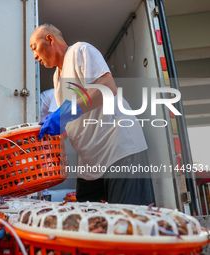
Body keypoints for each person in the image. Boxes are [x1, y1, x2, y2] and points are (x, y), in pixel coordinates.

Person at [29, 24, 155, 205]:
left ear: (49, 39)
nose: (34, 56)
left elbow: (107, 88)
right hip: (91, 161)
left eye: (34, 47)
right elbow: (70, 121)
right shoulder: (57, 77)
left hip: (118, 148)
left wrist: (63, 114)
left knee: (128, 221)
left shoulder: (80, 51)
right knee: (89, 221)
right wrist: (44, 142)